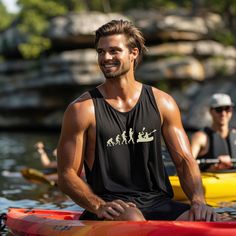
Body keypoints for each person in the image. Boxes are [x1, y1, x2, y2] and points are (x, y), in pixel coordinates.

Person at [57, 19, 218, 221]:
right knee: (133, 217)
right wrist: (98, 205)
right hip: (110, 207)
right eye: (100, 52)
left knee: (211, 219)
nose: (106, 57)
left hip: (159, 203)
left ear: (133, 53)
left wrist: (198, 200)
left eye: (114, 51)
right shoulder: (82, 109)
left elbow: (185, 161)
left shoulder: (163, 103)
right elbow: (66, 175)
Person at [191, 93, 235, 171]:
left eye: (227, 108)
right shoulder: (201, 137)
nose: (223, 113)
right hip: (208, 180)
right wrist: (212, 169)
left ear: (231, 110)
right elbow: (187, 166)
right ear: (211, 111)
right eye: (219, 109)